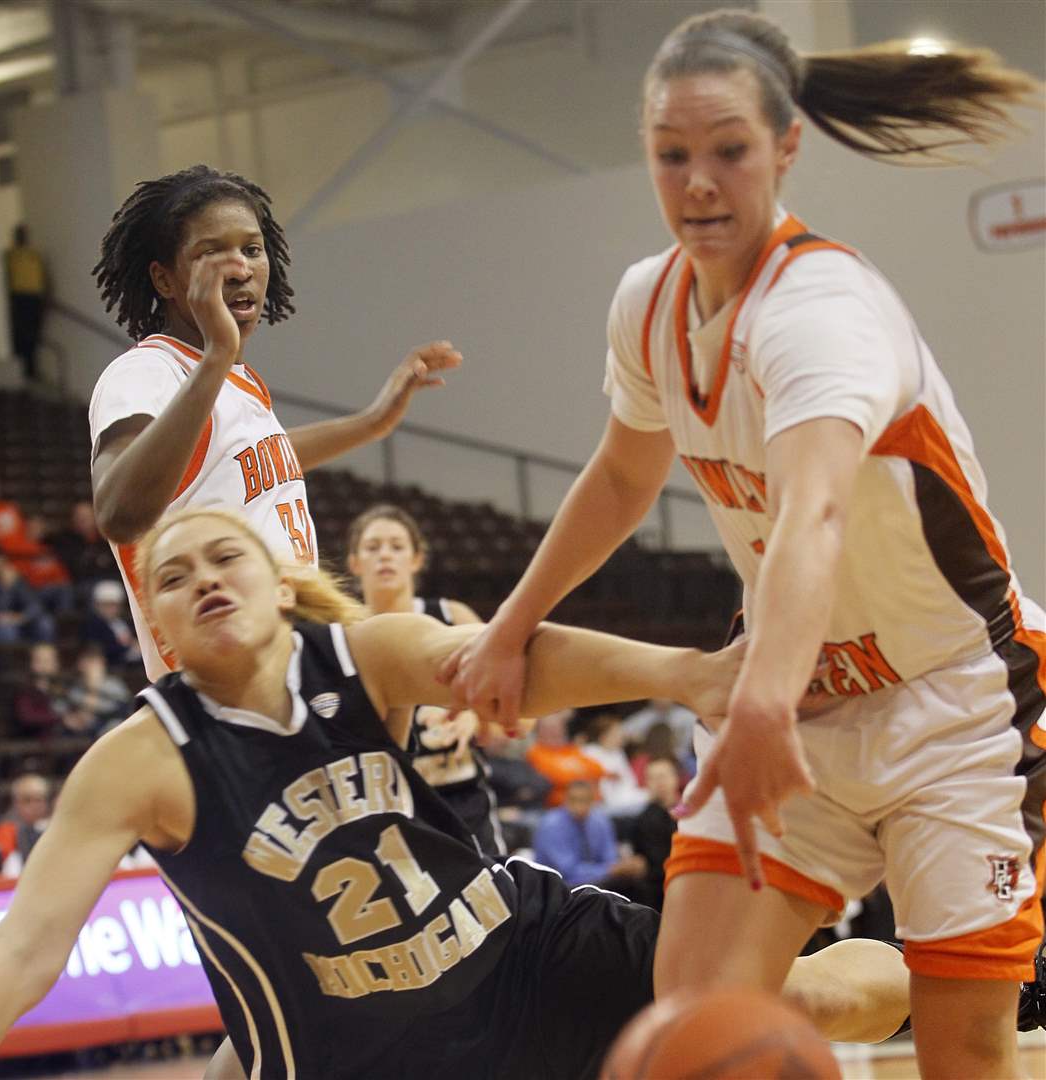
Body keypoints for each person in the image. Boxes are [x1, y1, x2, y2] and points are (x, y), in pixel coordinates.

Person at [440, 11, 1045, 1076]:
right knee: (694, 1016)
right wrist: (509, 626)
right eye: (673, 156)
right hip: (800, 689)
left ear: (785, 149)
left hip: (954, 700)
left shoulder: (821, 310)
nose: (700, 184)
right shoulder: (652, 302)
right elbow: (624, 475)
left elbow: (812, 511)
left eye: (729, 152)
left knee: (967, 1052)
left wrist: (757, 703)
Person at [0, 508, 913, 1079]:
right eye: (174, 577)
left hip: (519, 957)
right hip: (368, 1055)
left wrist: (690, 675)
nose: (204, 579)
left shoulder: (358, 654)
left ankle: (992, 980)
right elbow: (24, 951)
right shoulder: (143, 757)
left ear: (278, 586)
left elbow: (512, 669)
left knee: (791, 1003)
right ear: (158, 626)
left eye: (225, 559)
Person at [89, 164, 462, 682]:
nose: (239, 267)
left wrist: (373, 422)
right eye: (209, 253)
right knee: (458, 648)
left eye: (252, 248)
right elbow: (118, 510)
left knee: (456, 653)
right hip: (221, 681)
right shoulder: (144, 371)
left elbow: (254, 455)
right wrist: (218, 353)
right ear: (164, 279)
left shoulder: (235, 384)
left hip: (290, 659)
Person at [346, 503, 504, 854]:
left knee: (492, 900)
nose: (385, 555)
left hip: (458, 793)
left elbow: (514, 704)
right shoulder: (342, 632)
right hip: (388, 800)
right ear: (354, 562)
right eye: (372, 547)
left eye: (397, 546)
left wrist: (475, 711)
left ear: (416, 559)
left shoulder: (450, 615)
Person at [532, 779, 646, 894]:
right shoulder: (551, 825)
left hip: (596, 881)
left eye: (584, 800)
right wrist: (610, 870)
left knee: (635, 880)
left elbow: (610, 857)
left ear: (593, 801)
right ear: (565, 800)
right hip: (557, 887)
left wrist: (622, 866)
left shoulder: (600, 821)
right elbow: (567, 871)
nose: (578, 806)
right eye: (573, 800)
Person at [0, 546, 54, 646]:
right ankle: (12, 661)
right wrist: (5, 588)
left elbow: (35, 604)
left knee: (45, 623)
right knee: (6, 630)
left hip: (14, 621)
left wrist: (20, 617)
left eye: (0, 560)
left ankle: (44, 659)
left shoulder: (12, 577)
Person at [630, 756, 682, 911]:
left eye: (663, 776)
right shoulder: (644, 820)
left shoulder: (691, 813)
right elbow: (655, 863)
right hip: (660, 890)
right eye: (653, 778)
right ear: (646, 783)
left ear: (676, 778)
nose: (660, 783)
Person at [525, 709, 606, 807]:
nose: (556, 732)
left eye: (558, 728)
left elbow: (598, 769)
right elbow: (558, 777)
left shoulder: (570, 749)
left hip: (592, 805)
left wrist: (572, 771)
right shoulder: (535, 753)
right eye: (550, 729)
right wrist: (581, 772)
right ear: (539, 732)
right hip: (560, 808)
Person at [4, 224, 48, 382]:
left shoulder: (34, 256)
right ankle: (20, 371)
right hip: (17, 298)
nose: (22, 237)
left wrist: (45, 298)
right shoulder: (10, 256)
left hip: (34, 299)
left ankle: (32, 369)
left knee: (33, 335)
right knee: (19, 334)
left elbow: (44, 278)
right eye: (19, 234)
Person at [0, 772, 50, 874]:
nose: (34, 806)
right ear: (16, 803)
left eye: (39, 800)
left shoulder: (53, 828)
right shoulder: (5, 831)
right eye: (27, 800)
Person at [81, 579, 141, 670]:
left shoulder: (125, 623)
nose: (110, 609)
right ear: (97, 605)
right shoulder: (93, 626)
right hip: (112, 666)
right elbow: (99, 648)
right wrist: (128, 649)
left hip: (135, 664)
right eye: (106, 605)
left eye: (113, 605)